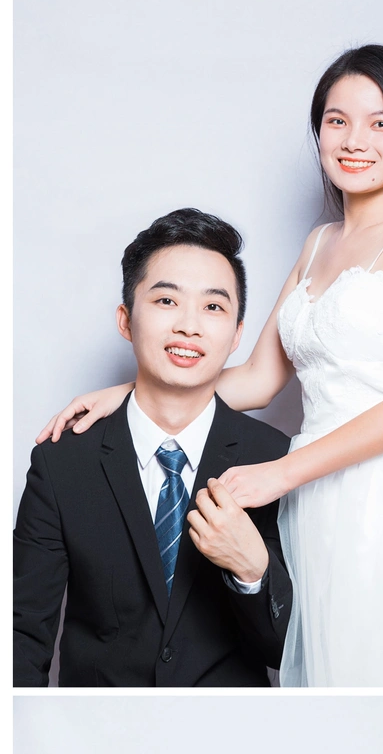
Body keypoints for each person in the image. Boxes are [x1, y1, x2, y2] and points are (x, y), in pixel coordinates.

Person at [37, 48, 383, 688]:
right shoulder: (319, 242)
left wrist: (279, 474)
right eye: (336, 121)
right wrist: (130, 396)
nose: (354, 141)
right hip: (312, 497)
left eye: (380, 123)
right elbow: (258, 381)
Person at [13, 208, 292, 688]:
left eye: (213, 307)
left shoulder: (274, 459)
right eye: (166, 300)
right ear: (126, 320)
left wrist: (253, 569)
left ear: (237, 334)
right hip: (97, 724)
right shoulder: (62, 463)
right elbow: (22, 635)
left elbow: (294, 650)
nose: (189, 325)